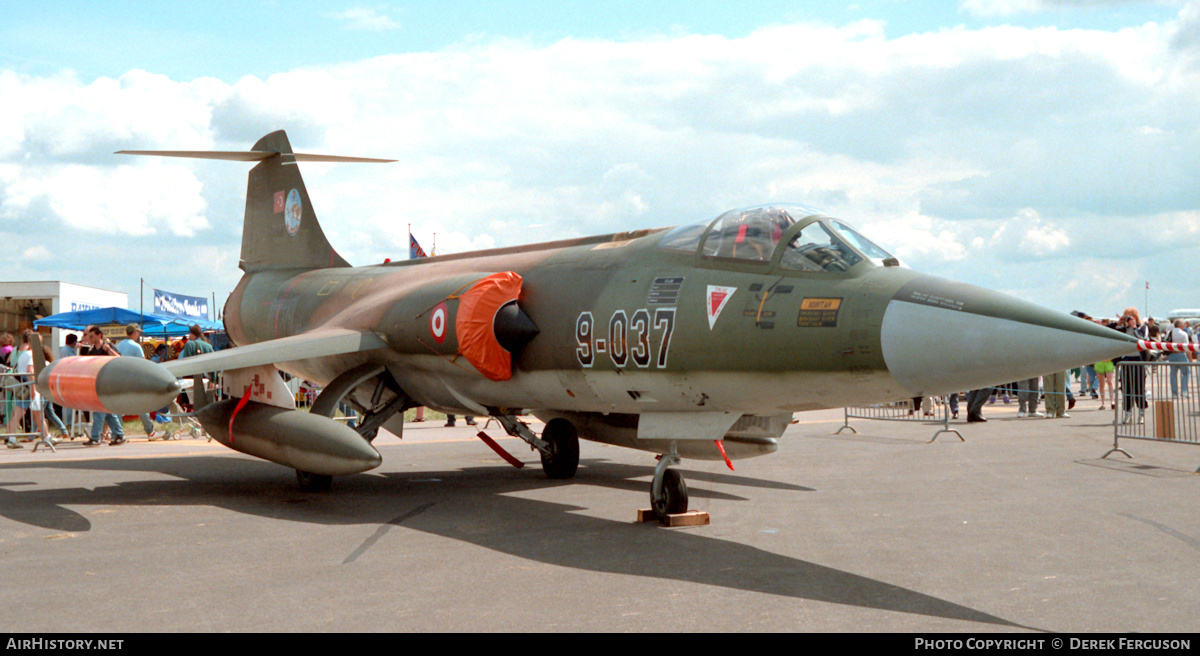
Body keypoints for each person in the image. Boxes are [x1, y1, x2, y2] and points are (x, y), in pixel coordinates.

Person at [79, 325, 124, 446]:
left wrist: (108, 349)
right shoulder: (92, 351)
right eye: (89, 336)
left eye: (92, 336)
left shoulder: (107, 347)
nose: (90, 338)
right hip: (98, 383)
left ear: (99, 336)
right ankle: (119, 435)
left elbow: (119, 359)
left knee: (99, 410)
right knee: (107, 412)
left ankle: (95, 437)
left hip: (108, 382)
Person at [6, 330, 51, 449]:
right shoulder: (32, 354)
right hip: (29, 386)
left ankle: (45, 436)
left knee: (22, 413)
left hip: (22, 386)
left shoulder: (24, 354)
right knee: (30, 412)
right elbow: (30, 371)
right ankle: (46, 437)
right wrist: (32, 389)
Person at [116, 324, 156, 438]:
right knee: (141, 405)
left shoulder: (119, 345)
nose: (138, 334)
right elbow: (143, 364)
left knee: (118, 407)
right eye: (138, 332)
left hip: (120, 380)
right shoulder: (136, 347)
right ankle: (150, 430)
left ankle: (118, 432)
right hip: (133, 380)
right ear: (134, 333)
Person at [1111, 309, 1149, 424]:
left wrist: (1134, 327)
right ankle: (1128, 413)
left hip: (1138, 360)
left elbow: (1143, 339)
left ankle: (1141, 413)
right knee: (1126, 387)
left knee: (1139, 388)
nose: (1129, 318)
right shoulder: (1123, 328)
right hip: (1126, 359)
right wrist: (1119, 322)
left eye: (1131, 316)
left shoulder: (1142, 327)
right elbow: (1111, 332)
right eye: (1127, 316)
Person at [1167, 320, 1190, 398]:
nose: (1184, 326)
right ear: (1180, 325)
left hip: (1171, 355)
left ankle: (1174, 393)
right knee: (1186, 373)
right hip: (1181, 354)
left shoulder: (1169, 333)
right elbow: (1186, 347)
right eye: (1184, 324)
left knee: (1173, 374)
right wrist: (1190, 358)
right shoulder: (1183, 334)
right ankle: (1184, 391)